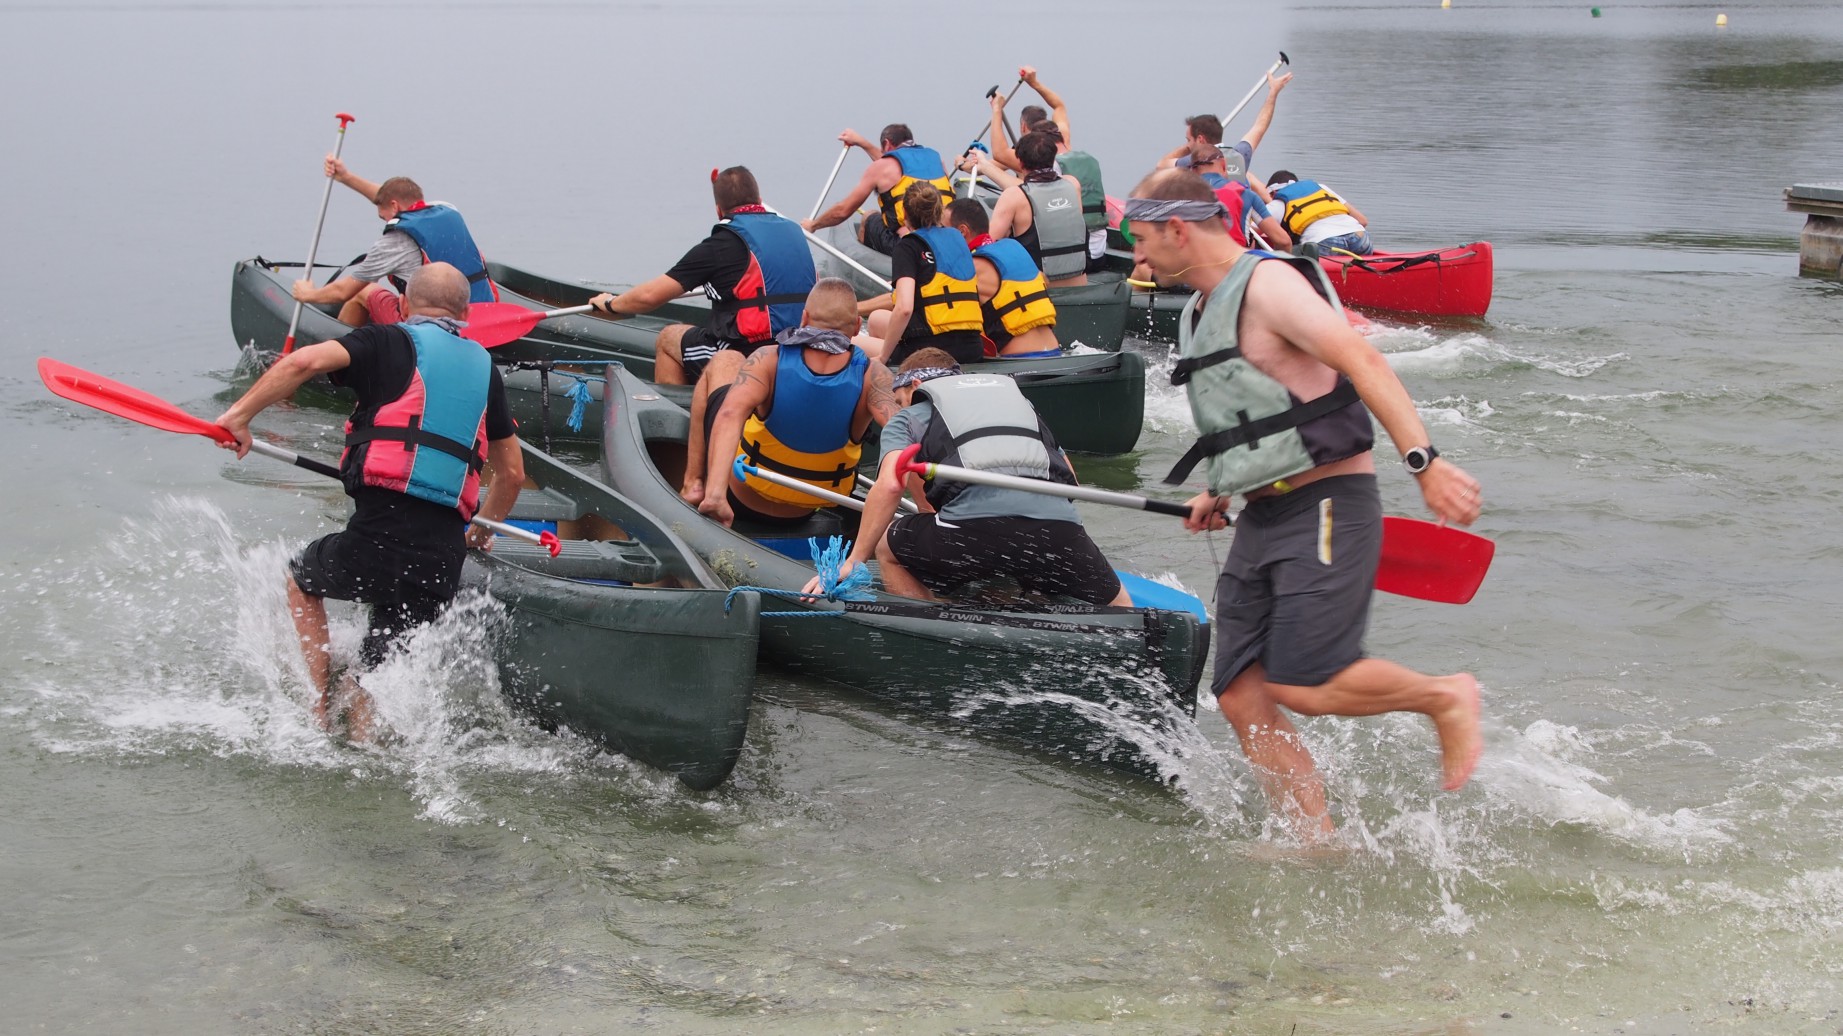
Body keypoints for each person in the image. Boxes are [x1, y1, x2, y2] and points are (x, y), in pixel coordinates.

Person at [1125, 169, 1484, 837]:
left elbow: (1363, 362)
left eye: (1141, 240)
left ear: (1178, 229)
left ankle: (1445, 697)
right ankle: (1311, 837)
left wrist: (1423, 465)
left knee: (1305, 681)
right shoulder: (1199, 310)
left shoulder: (1267, 286)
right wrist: (1220, 488)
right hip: (1263, 517)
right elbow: (1258, 413)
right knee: (1239, 693)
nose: (1136, 257)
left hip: (1326, 505)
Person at [215, 264, 524, 740]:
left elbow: (301, 363)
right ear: (465, 314)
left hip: (379, 533)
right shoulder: (486, 370)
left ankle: (315, 706)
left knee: (301, 579)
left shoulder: (385, 341)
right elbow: (512, 474)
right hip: (442, 555)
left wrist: (239, 416)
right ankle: (363, 736)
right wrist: (480, 532)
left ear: (403, 306)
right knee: (375, 677)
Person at [804, 351, 1132, 607]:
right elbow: (1069, 482)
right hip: (1059, 531)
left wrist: (854, 560)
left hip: (972, 534)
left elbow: (890, 484)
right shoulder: (1020, 407)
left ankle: (932, 630)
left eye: (901, 400)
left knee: (885, 543)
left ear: (917, 388)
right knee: (1121, 606)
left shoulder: (908, 419)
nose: (901, 407)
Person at [686, 278, 899, 526]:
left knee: (725, 360)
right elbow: (903, 435)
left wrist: (716, 495)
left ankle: (694, 485)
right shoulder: (874, 375)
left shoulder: (769, 358)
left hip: (742, 498)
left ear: (805, 318)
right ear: (856, 327)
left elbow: (729, 415)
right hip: (809, 507)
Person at [586, 166, 816, 390]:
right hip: (799, 349)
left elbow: (649, 296)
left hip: (747, 354)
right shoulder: (795, 232)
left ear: (719, 210)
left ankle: (675, 417)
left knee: (668, 339)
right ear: (760, 200)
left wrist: (611, 304)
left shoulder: (719, 246)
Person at [288, 158, 497, 328]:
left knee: (363, 291)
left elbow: (342, 292)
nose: (386, 222)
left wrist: (308, 294)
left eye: (383, 217)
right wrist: (346, 177)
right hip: (480, 311)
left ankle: (342, 354)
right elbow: (391, 197)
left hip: (429, 327)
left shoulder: (395, 242)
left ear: (394, 206)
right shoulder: (447, 209)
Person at [983, 66, 1110, 271]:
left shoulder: (1044, 161)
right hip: (1096, 253)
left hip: (1074, 260)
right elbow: (1059, 106)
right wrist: (1035, 83)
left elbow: (999, 153)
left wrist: (997, 109)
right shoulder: (1066, 141)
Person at [857, 182, 986, 367]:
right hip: (971, 347)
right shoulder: (957, 238)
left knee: (854, 342)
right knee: (876, 318)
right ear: (939, 211)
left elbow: (904, 308)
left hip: (930, 353)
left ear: (905, 214)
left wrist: (884, 357)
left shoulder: (908, 246)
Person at [805, 124, 956, 256]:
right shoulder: (937, 160)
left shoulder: (883, 167)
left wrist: (813, 225)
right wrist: (862, 143)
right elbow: (889, 163)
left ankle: (869, 272)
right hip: (943, 241)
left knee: (869, 217)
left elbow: (843, 211)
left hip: (908, 243)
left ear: (887, 143)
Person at [946, 198, 1061, 358]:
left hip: (1020, 362)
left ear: (962, 231)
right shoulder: (1013, 247)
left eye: (942, 229)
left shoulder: (973, 266)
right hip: (1055, 353)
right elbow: (1044, 280)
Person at [987, 131, 1089, 286]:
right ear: (1053, 159)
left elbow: (988, 244)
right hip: (1079, 285)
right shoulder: (1072, 184)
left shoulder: (1014, 196)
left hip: (1039, 292)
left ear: (1020, 164)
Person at [1156, 70, 1292, 181]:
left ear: (1201, 139)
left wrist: (1187, 148)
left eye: (1189, 140)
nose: (1188, 145)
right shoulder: (1238, 155)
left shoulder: (1193, 162)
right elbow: (1260, 126)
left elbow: (1161, 166)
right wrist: (1273, 92)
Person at [1189, 141, 1291, 251]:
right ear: (1224, 165)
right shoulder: (1246, 194)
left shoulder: (1179, 194)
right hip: (1236, 264)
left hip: (1196, 265)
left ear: (1192, 170)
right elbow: (1284, 241)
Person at [1262, 171, 1373, 257]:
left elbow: (1250, 234)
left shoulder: (1276, 204)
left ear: (1273, 192)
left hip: (1325, 242)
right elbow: (1363, 221)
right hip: (1360, 238)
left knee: (1295, 253)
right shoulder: (1321, 188)